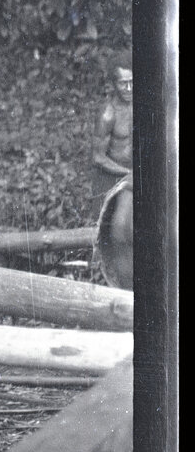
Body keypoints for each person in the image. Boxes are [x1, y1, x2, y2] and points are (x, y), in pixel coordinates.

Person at [91, 52, 133, 290]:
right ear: (113, 84)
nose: (128, 88)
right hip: (118, 176)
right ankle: (125, 288)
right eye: (123, 83)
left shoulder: (145, 101)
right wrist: (128, 173)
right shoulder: (108, 113)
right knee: (119, 230)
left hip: (140, 172)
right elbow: (98, 157)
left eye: (132, 82)